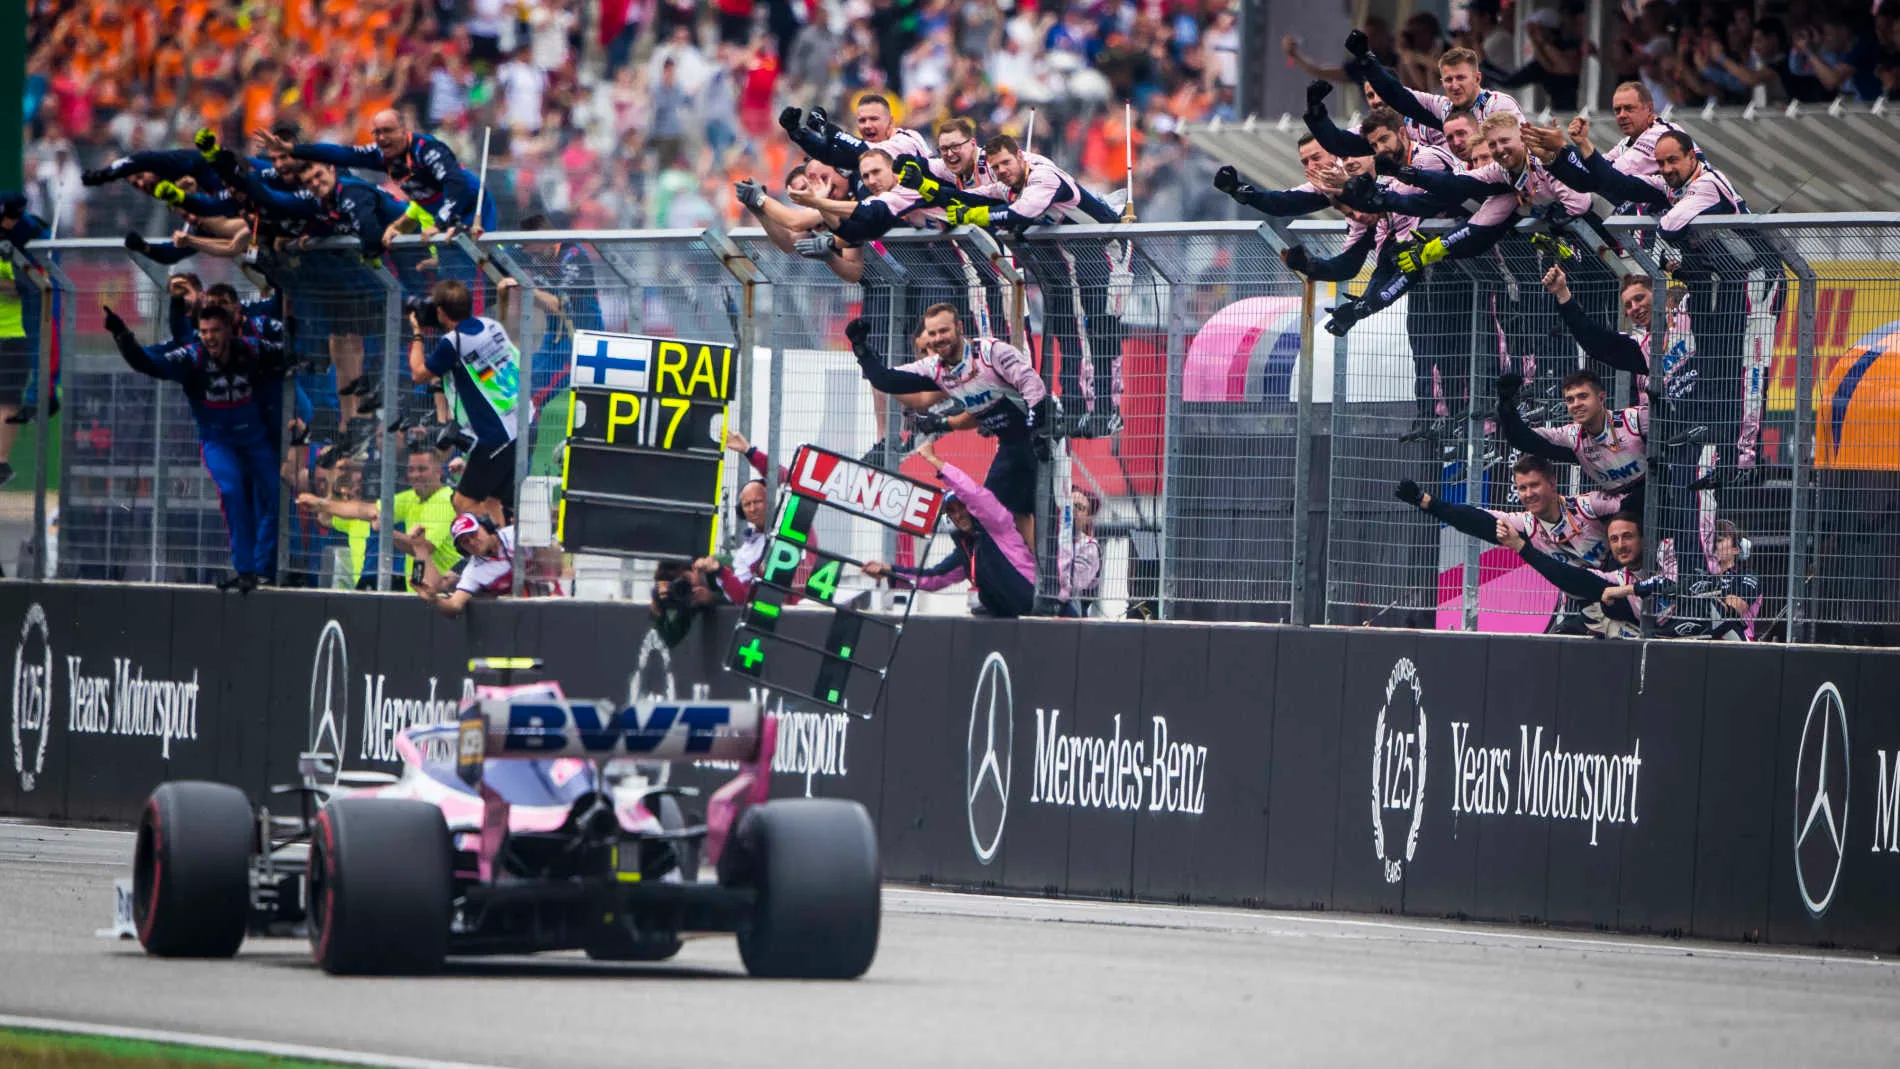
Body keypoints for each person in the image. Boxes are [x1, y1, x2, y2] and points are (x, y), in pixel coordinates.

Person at [104, 302, 295, 591]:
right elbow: (148, 364)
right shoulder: (191, 356)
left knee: (280, 497)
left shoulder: (252, 349)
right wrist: (122, 335)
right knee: (232, 491)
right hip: (219, 443)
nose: (210, 337)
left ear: (229, 330)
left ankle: (266, 568)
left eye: (216, 331)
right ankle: (245, 570)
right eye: (204, 332)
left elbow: (289, 353)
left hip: (255, 441)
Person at [848, 304, 1053, 545]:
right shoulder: (934, 368)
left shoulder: (990, 352)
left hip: (1045, 435)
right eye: (932, 334)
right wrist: (862, 349)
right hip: (1010, 444)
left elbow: (1031, 384)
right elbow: (887, 380)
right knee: (986, 515)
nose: (937, 339)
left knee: (1049, 514)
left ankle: (1048, 575)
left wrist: (1038, 428)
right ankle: (1029, 574)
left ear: (959, 328)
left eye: (943, 331)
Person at [860, 440, 1036, 619]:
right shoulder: (965, 549)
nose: (958, 515)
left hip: (1036, 612)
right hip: (1009, 621)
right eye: (951, 511)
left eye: (962, 507)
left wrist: (935, 461)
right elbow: (934, 578)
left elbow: (974, 494)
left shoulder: (996, 524)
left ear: (972, 507)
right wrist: (888, 571)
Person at [407, 278, 529, 525]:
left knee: (463, 503)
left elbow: (418, 374)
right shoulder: (490, 325)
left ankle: (493, 551)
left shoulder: (454, 343)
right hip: (524, 422)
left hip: (496, 435)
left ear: (440, 311)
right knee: (496, 502)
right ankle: (506, 553)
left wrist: (418, 334)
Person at [265, 109, 494, 236]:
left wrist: (441, 222)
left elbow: (455, 184)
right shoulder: (379, 155)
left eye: (388, 131)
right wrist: (293, 149)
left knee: (484, 271)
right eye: (377, 133)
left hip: (471, 206)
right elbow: (339, 153)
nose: (382, 138)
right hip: (437, 216)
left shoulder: (427, 149)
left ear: (404, 131)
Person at [1495, 511, 1674, 639]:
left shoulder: (1667, 548)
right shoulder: (1617, 578)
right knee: (1594, 613)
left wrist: (1625, 590)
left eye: (1627, 536)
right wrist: (1520, 546)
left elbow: (1672, 583)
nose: (1621, 545)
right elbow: (1567, 576)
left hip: (1697, 630)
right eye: (1614, 539)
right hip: (1664, 645)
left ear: (1644, 538)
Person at [1498, 368, 1648, 498]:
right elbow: (1524, 440)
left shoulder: (1636, 419)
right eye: (1570, 400)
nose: (1576, 404)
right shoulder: (1572, 436)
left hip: (1657, 499)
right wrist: (1506, 405)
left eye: (1583, 396)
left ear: (1601, 398)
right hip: (1619, 506)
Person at [416, 512, 518, 617]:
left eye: (473, 534)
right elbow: (453, 603)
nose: (472, 542)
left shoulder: (515, 534)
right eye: (465, 542)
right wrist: (433, 598)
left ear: (486, 527)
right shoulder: (473, 571)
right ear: (462, 549)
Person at [1057, 486, 1102, 618]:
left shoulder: (1090, 547)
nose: (1074, 510)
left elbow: (1075, 583)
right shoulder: (1049, 537)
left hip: (1073, 609)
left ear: (1088, 518)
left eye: (1080, 508)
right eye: (1070, 505)